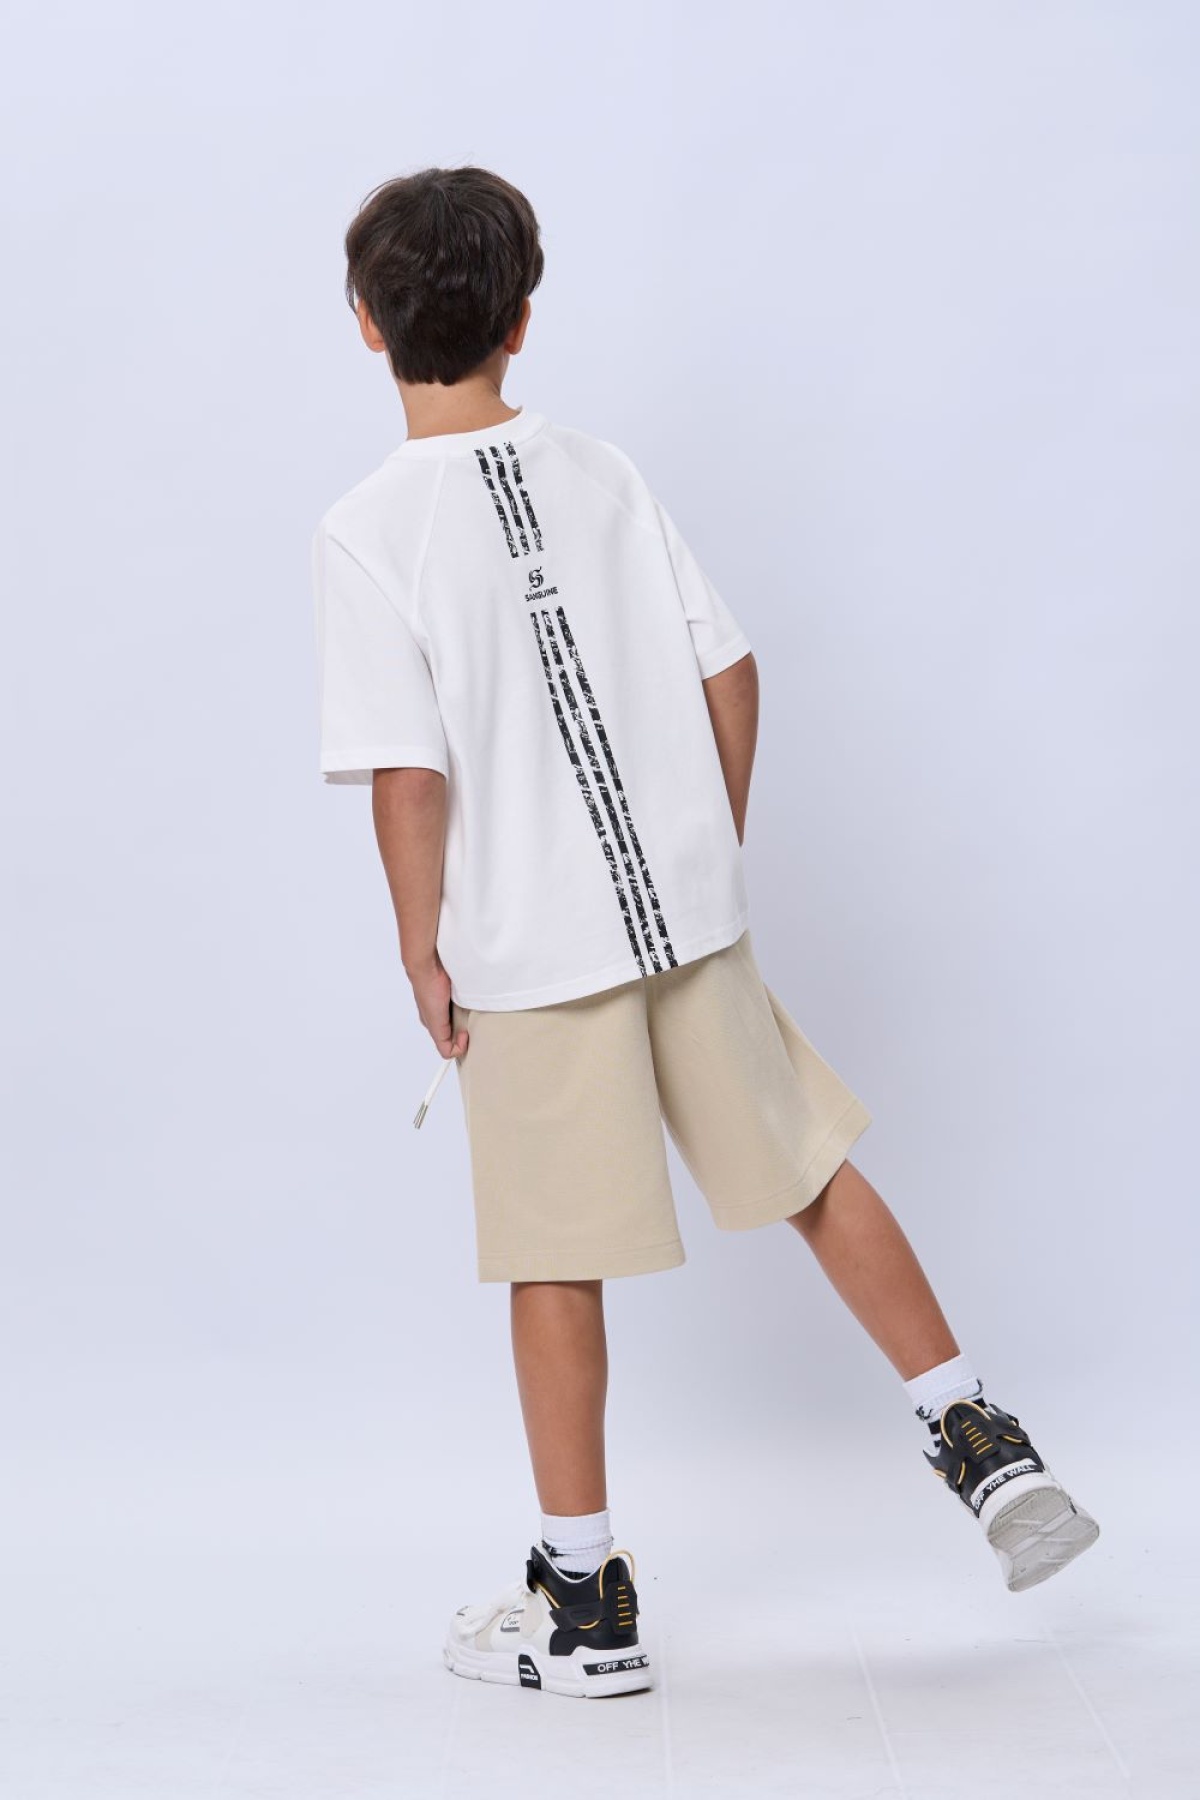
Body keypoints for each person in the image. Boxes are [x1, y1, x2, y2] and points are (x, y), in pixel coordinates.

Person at [311, 164, 1098, 1702]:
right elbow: (729, 669)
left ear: (363, 323)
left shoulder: (366, 530)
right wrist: (699, 847)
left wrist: (421, 948)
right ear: (524, 319)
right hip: (681, 915)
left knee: (556, 1258)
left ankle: (586, 1604)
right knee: (807, 1166)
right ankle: (980, 1438)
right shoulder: (599, 468)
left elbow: (409, 773)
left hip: (531, 956)